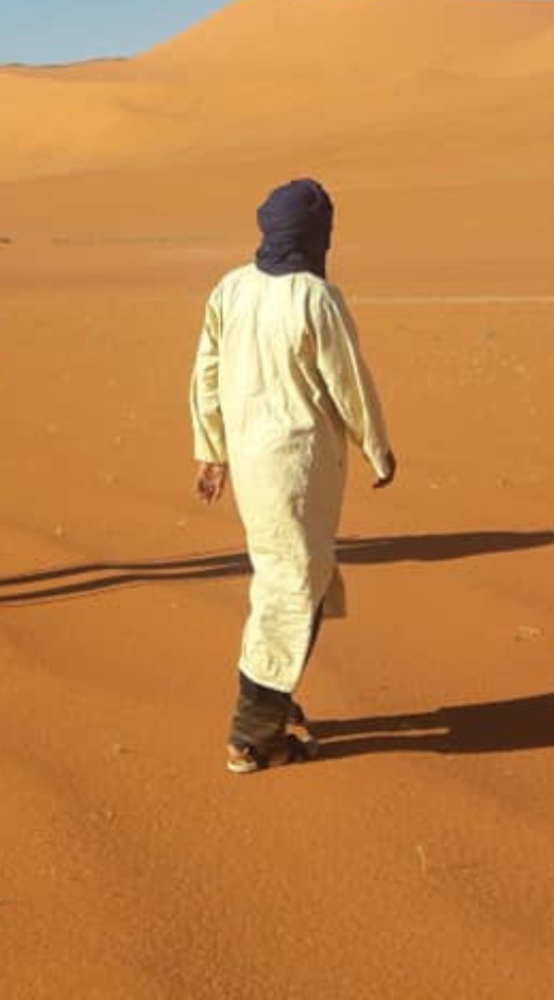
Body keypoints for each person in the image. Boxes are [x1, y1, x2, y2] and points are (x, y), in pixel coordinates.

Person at [190, 178, 396, 773]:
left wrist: (211, 450)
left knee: (299, 578)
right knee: (287, 590)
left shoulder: (231, 287)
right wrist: (378, 450)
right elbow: (349, 382)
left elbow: (204, 372)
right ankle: (253, 736)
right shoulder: (314, 295)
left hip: (255, 466)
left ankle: (274, 706)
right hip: (296, 466)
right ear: (316, 235)